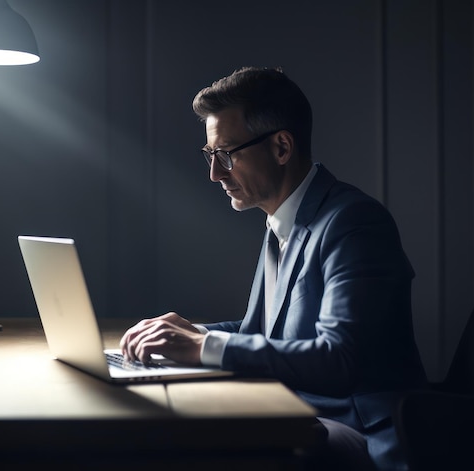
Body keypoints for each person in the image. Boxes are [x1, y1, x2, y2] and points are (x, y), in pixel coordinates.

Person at [120, 66, 427, 470]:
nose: (215, 174)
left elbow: (340, 359)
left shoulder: (354, 222)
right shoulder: (282, 221)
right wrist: (193, 333)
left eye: (226, 154)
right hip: (300, 415)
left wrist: (201, 348)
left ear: (282, 147)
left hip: (361, 431)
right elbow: (261, 333)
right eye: (210, 156)